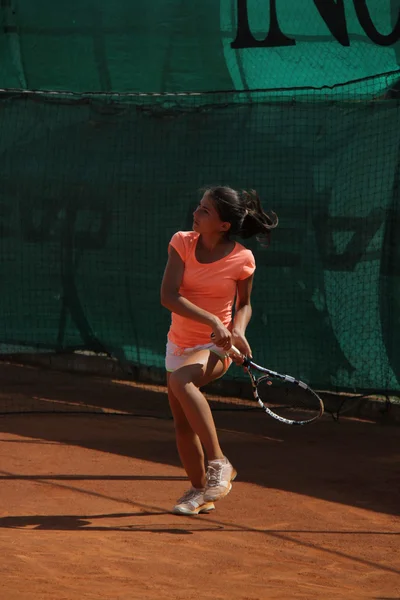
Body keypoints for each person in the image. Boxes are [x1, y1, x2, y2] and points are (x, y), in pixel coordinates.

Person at [160, 186, 278, 515]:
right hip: (180, 342)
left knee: (182, 382)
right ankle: (201, 492)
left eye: (205, 211)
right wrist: (214, 319)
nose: (195, 214)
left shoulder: (243, 258)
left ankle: (219, 462)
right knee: (182, 425)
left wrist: (236, 331)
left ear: (224, 225)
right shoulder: (181, 243)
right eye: (198, 207)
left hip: (216, 346)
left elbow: (245, 305)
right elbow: (169, 296)